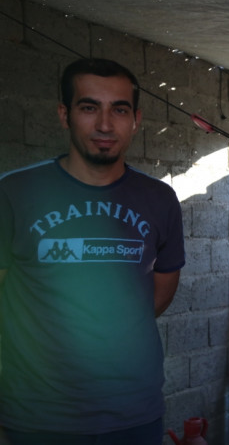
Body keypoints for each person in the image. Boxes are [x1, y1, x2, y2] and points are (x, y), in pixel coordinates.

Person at [0, 58, 186, 445]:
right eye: (89, 107)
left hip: (133, 414)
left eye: (119, 110)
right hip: (38, 417)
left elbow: (156, 296)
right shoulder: (13, 193)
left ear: (135, 118)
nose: (105, 124)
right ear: (64, 114)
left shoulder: (160, 199)